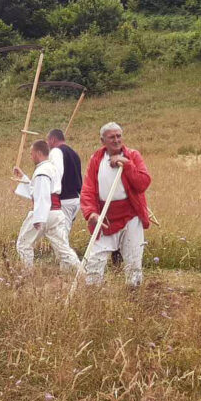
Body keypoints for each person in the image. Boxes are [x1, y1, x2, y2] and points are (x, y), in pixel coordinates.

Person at [80, 122, 152, 287]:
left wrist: (126, 164)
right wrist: (91, 213)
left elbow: (143, 183)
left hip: (131, 216)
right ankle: (92, 293)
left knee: (133, 259)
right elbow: (88, 190)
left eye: (119, 136)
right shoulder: (96, 160)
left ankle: (134, 292)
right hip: (105, 217)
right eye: (111, 137)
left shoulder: (133, 156)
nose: (116, 140)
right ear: (102, 140)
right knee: (94, 260)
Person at [14, 140, 79, 271]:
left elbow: (43, 196)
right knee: (63, 248)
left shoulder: (42, 171)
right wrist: (24, 178)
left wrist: (38, 218)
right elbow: (39, 190)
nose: (31, 156)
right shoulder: (51, 168)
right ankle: (80, 273)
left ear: (38, 153)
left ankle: (28, 274)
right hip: (56, 213)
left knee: (24, 244)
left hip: (45, 213)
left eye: (31, 154)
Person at [47, 129, 82, 234]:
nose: (47, 144)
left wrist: (52, 195)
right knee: (62, 233)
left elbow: (57, 174)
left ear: (52, 139)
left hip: (64, 199)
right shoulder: (74, 153)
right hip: (76, 198)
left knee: (61, 235)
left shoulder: (56, 152)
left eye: (48, 140)